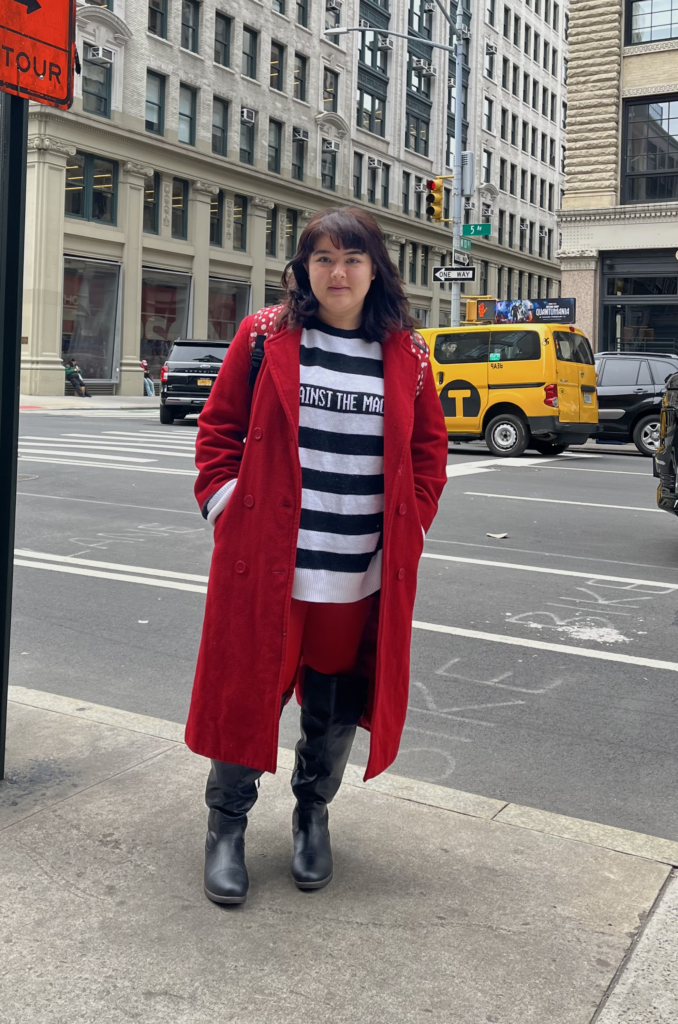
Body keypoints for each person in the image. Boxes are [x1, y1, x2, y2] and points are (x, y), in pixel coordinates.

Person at [186, 206, 449, 906]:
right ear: (303, 269)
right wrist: (227, 506)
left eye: (353, 258)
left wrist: (411, 526)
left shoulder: (409, 355)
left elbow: (428, 455)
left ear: (375, 270)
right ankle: (226, 826)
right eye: (323, 257)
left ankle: (312, 814)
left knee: (334, 700)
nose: (338, 271)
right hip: (270, 561)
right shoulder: (265, 337)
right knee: (251, 689)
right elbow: (217, 436)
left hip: (357, 568)